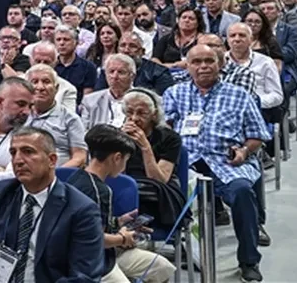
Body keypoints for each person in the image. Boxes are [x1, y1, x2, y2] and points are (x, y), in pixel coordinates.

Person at [162, 43, 269, 282]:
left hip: (227, 162)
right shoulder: (174, 94)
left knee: (242, 193)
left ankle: (249, 260)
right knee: (163, 189)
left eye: (209, 61)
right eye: (196, 62)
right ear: (187, 66)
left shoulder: (239, 95)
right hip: (185, 163)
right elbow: (164, 131)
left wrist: (243, 151)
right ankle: (182, 252)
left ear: (220, 65)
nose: (203, 67)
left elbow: (256, 136)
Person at [0, 127, 105, 283]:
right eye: (13, 153)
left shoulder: (81, 210)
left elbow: (84, 277)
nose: (18, 160)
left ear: (52, 160)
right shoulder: (2, 193)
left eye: (28, 152)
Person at [67, 125, 175, 283]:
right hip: (92, 263)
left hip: (98, 255)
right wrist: (123, 239)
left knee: (161, 267)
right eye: (125, 160)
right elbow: (95, 239)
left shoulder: (76, 178)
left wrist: (117, 222)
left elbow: (87, 223)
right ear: (117, 158)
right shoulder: (100, 191)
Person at [117, 89, 185, 229]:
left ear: (153, 115)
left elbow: (159, 179)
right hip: (128, 189)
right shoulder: (118, 135)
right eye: (129, 112)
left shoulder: (169, 138)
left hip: (157, 192)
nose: (134, 118)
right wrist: (122, 145)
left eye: (141, 113)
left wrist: (145, 147)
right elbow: (116, 175)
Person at [24, 64, 87, 168]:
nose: (40, 87)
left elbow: (80, 157)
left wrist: (54, 175)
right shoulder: (20, 114)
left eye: (46, 82)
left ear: (56, 88)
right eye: (34, 82)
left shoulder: (70, 119)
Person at [80, 54, 135, 129]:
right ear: (105, 74)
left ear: (132, 76)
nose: (115, 76)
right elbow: (83, 131)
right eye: (111, 71)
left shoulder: (140, 101)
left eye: (121, 72)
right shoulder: (90, 101)